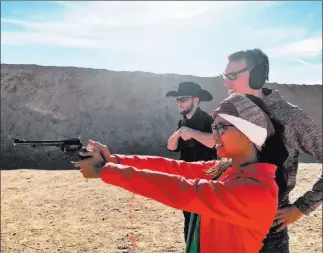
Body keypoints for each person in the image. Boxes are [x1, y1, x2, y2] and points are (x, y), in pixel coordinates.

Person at [75, 93, 288, 253]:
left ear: (250, 132)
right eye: (215, 127)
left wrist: (108, 171)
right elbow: (175, 168)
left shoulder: (257, 190)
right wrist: (115, 161)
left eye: (222, 127)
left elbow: (183, 189)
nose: (215, 136)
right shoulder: (228, 168)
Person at [221, 48, 322, 253]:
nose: (226, 82)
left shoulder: (290, 117)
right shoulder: (231, 111)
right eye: (225, 76)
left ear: (257, 75)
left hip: (268, 234)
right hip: (230, 223)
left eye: (232, 76)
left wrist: (302, 207)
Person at [166, 81, 217, 242]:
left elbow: (213, 142)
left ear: (196, 100)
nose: (179, 103)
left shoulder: (208, 120)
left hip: (206, 180)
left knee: (205, 222)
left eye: (183, 99)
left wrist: (192, 133)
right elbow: (171, 146)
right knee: (189, 220)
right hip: (187, 179)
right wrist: (179, 133)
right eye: (178, 99)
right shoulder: (182, 123)